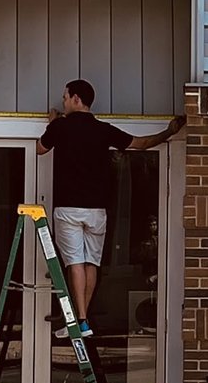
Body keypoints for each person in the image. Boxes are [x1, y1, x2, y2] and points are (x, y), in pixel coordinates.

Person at [37, 80, 184, 326]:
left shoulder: (60, 126)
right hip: (97, 210)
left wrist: (53, 123)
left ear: (76, 99)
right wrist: (169, 131)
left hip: (69, 209)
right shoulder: (103, 130)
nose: (63, 101)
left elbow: (40, 149)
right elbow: (142, 143)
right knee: (91, 262)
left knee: (75, 263)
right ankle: (83, 318)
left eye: (65, 97)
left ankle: (79, 318)